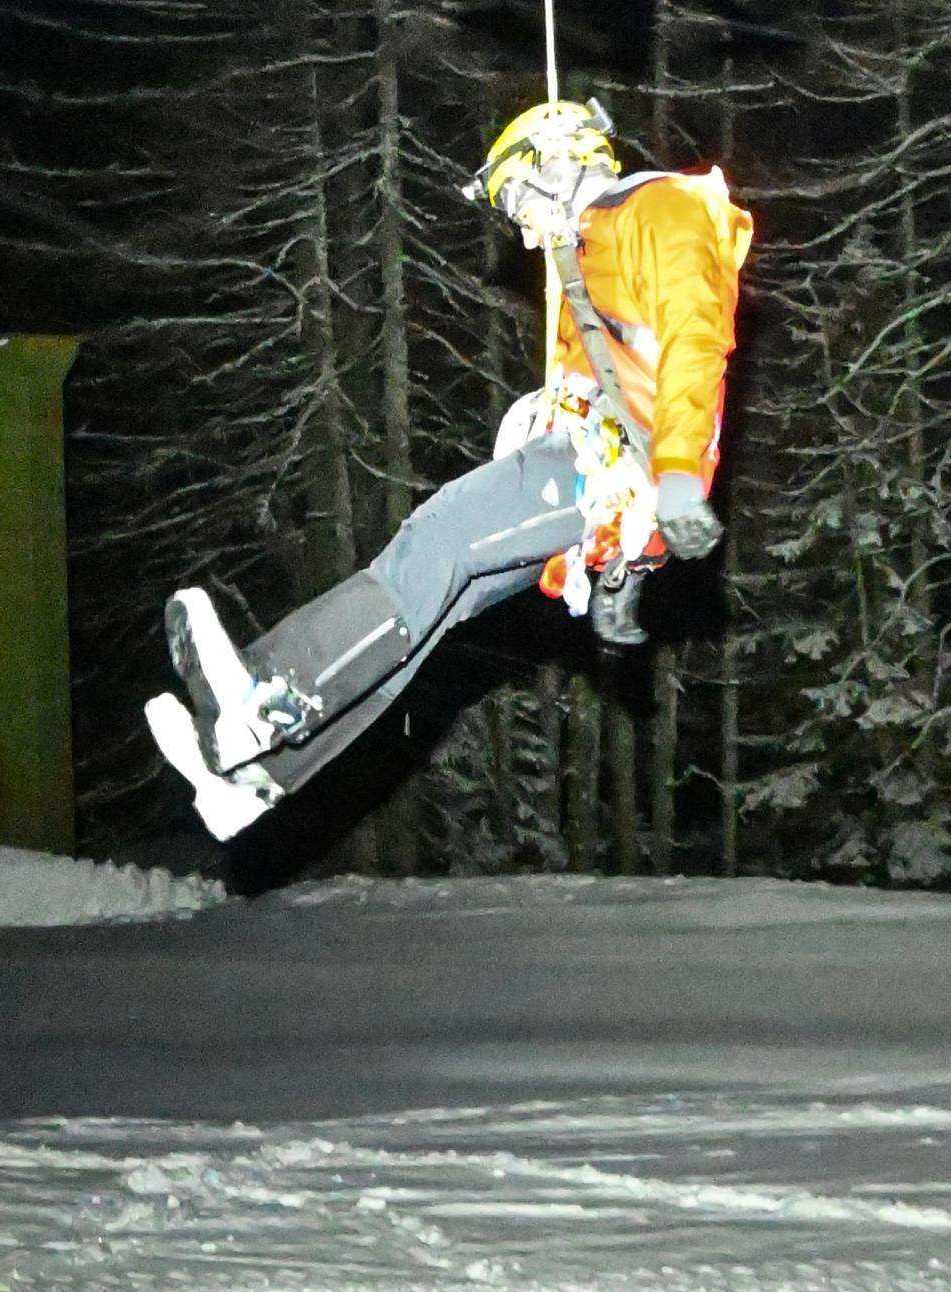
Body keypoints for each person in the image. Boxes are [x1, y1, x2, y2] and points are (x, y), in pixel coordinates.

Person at [146, 93, 752, 841]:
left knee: (436, 540)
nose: (520, 225)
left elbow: (694, 340)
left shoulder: (663, 210)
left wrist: (679, 473)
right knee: (438, 603)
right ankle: (260, 776)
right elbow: (615, 377)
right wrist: (622, 570)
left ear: (560, 162)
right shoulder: (585, 250)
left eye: (519, 197)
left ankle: (268, 695)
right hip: (608, 476)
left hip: (613, 466)